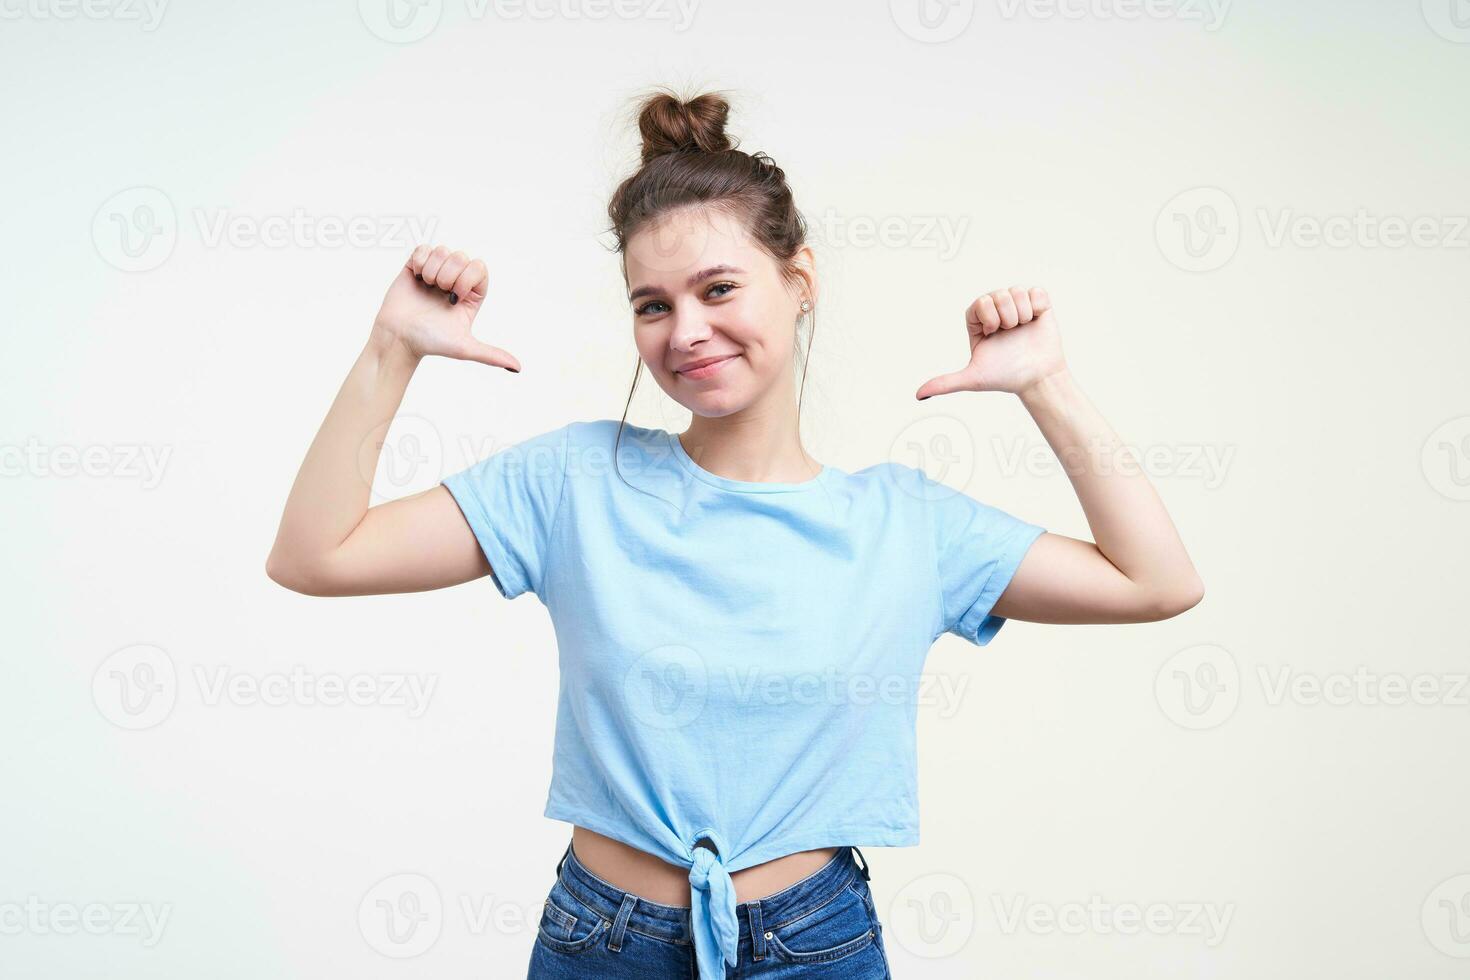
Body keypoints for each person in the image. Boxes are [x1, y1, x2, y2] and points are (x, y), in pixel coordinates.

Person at [265, 88, 1204, 979]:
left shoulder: (905, 524)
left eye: (719, 288)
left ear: (799, 283)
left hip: (814, 939)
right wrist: (393, 348)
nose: (688, 331)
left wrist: (1047, 384)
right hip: (603, 940)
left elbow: (1154, 582)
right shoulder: (574, 484)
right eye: (653, 304)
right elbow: (316, 555)